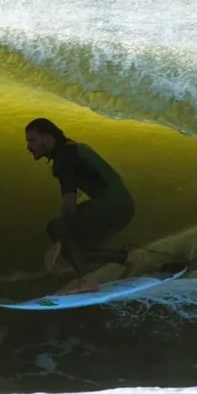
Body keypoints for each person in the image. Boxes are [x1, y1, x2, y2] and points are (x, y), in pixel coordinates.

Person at [24, 118, 137, 293]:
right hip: (124, 204)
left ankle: (87, 280)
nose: (28, 146)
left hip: (111, 205)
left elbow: (68, 204)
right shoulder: (75, 148)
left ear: (47, 137)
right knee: (77, 248)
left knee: (56, 227)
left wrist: (58, 240)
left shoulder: (63, 159)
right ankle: (128, 258)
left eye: (32, 140)